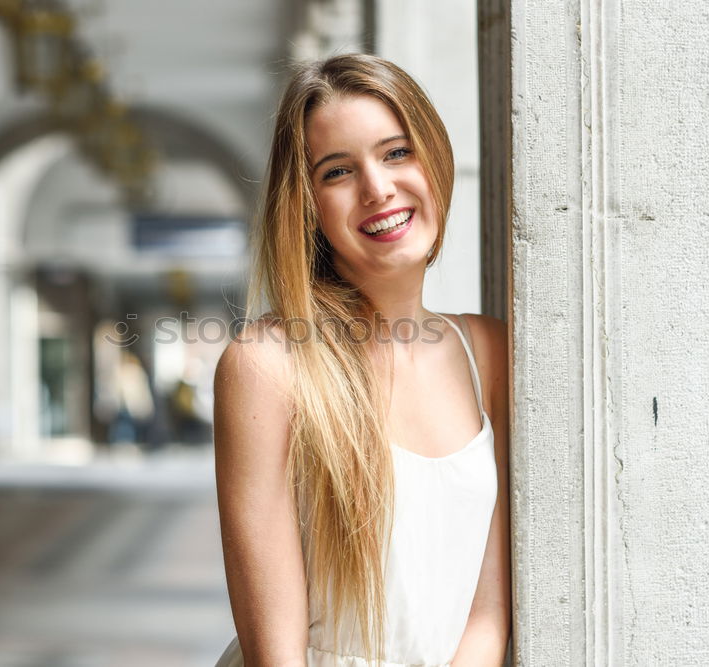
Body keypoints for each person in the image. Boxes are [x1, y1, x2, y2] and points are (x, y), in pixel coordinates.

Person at [213, 54, 510, 666]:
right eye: (338, 171)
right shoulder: (268, 367)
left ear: (436, 161)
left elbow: (487, 617)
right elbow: (277, 655)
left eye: (397, 152)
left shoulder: (490, 354)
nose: (378, 189)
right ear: (307, 207)